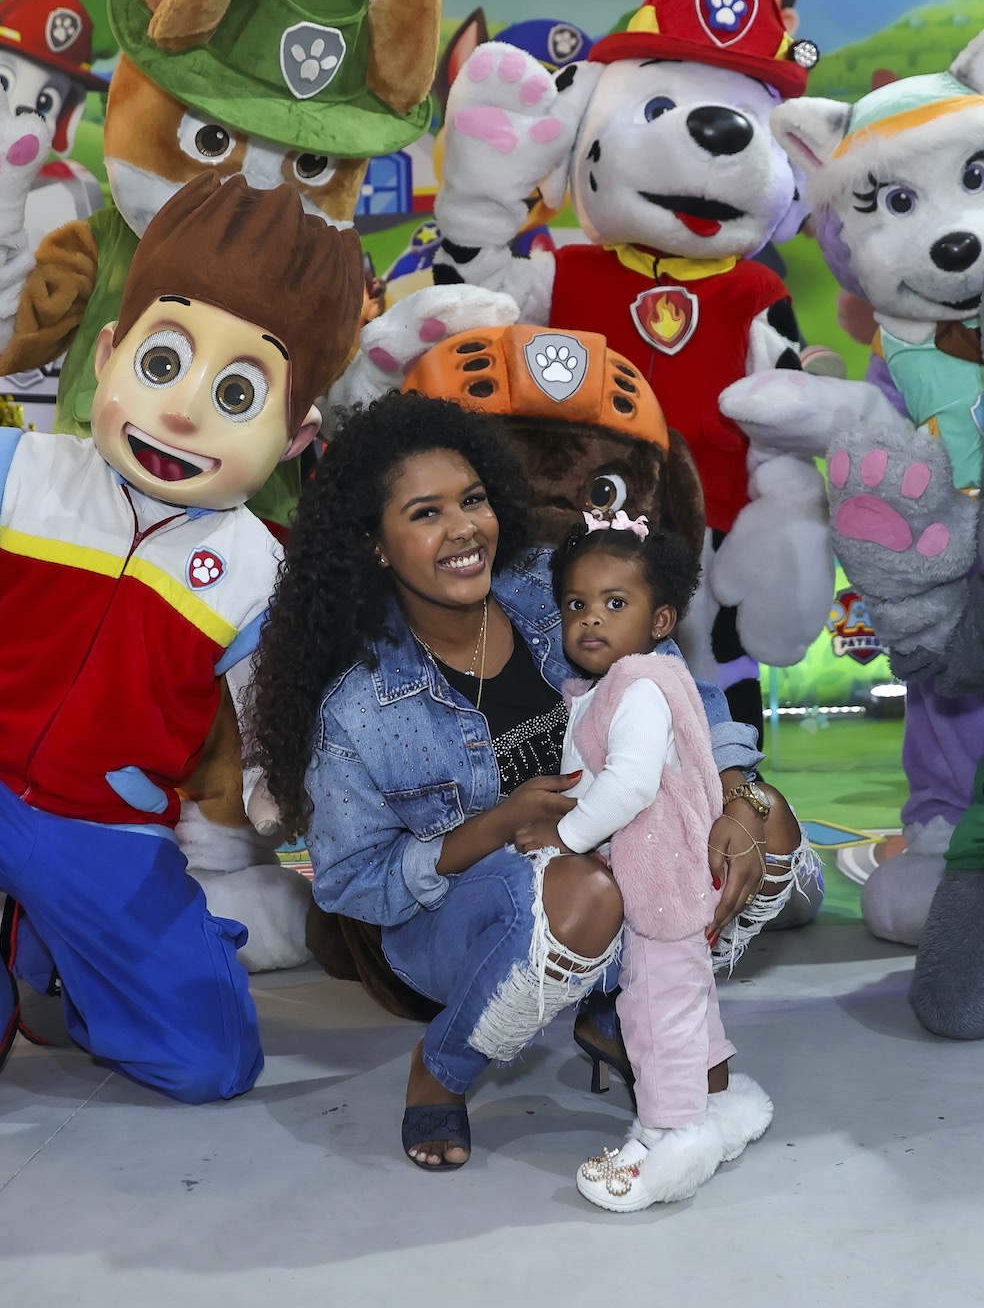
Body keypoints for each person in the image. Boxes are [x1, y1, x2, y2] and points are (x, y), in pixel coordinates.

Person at [251, 390, 819, 1169]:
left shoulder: (552, 589)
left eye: (473, 499)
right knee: (581, 890)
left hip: (614, 870)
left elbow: (684, 694)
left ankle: (624, 1005)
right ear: (376, 545)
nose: (463, 527)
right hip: (459, 921)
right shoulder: (360, 705)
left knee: (769, 824)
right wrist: (499, 823)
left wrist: (736, 791)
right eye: (426, 513)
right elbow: (354, 883)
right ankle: (443, 1066)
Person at [0, 171, 364, 1101]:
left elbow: (277, 727)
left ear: (295, 437)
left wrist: (292, 800)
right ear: (109, 354)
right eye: (162, 363)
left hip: (103, 827)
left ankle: (58, 942)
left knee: (208, 1060)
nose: (184, 410)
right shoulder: (16, 470)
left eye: (238, 392)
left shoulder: (259, 572)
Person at [519, 513, 777, 1209]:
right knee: (687, 997)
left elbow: (630, 785)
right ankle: (724, 1104)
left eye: (615, 602)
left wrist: (566, 836)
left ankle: (671, 1136)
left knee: (653, 1009)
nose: (590, 618)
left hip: (659, 881)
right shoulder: (627, 684)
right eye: (576, 603)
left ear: (661, 619)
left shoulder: (635, 685)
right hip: (671, 875)